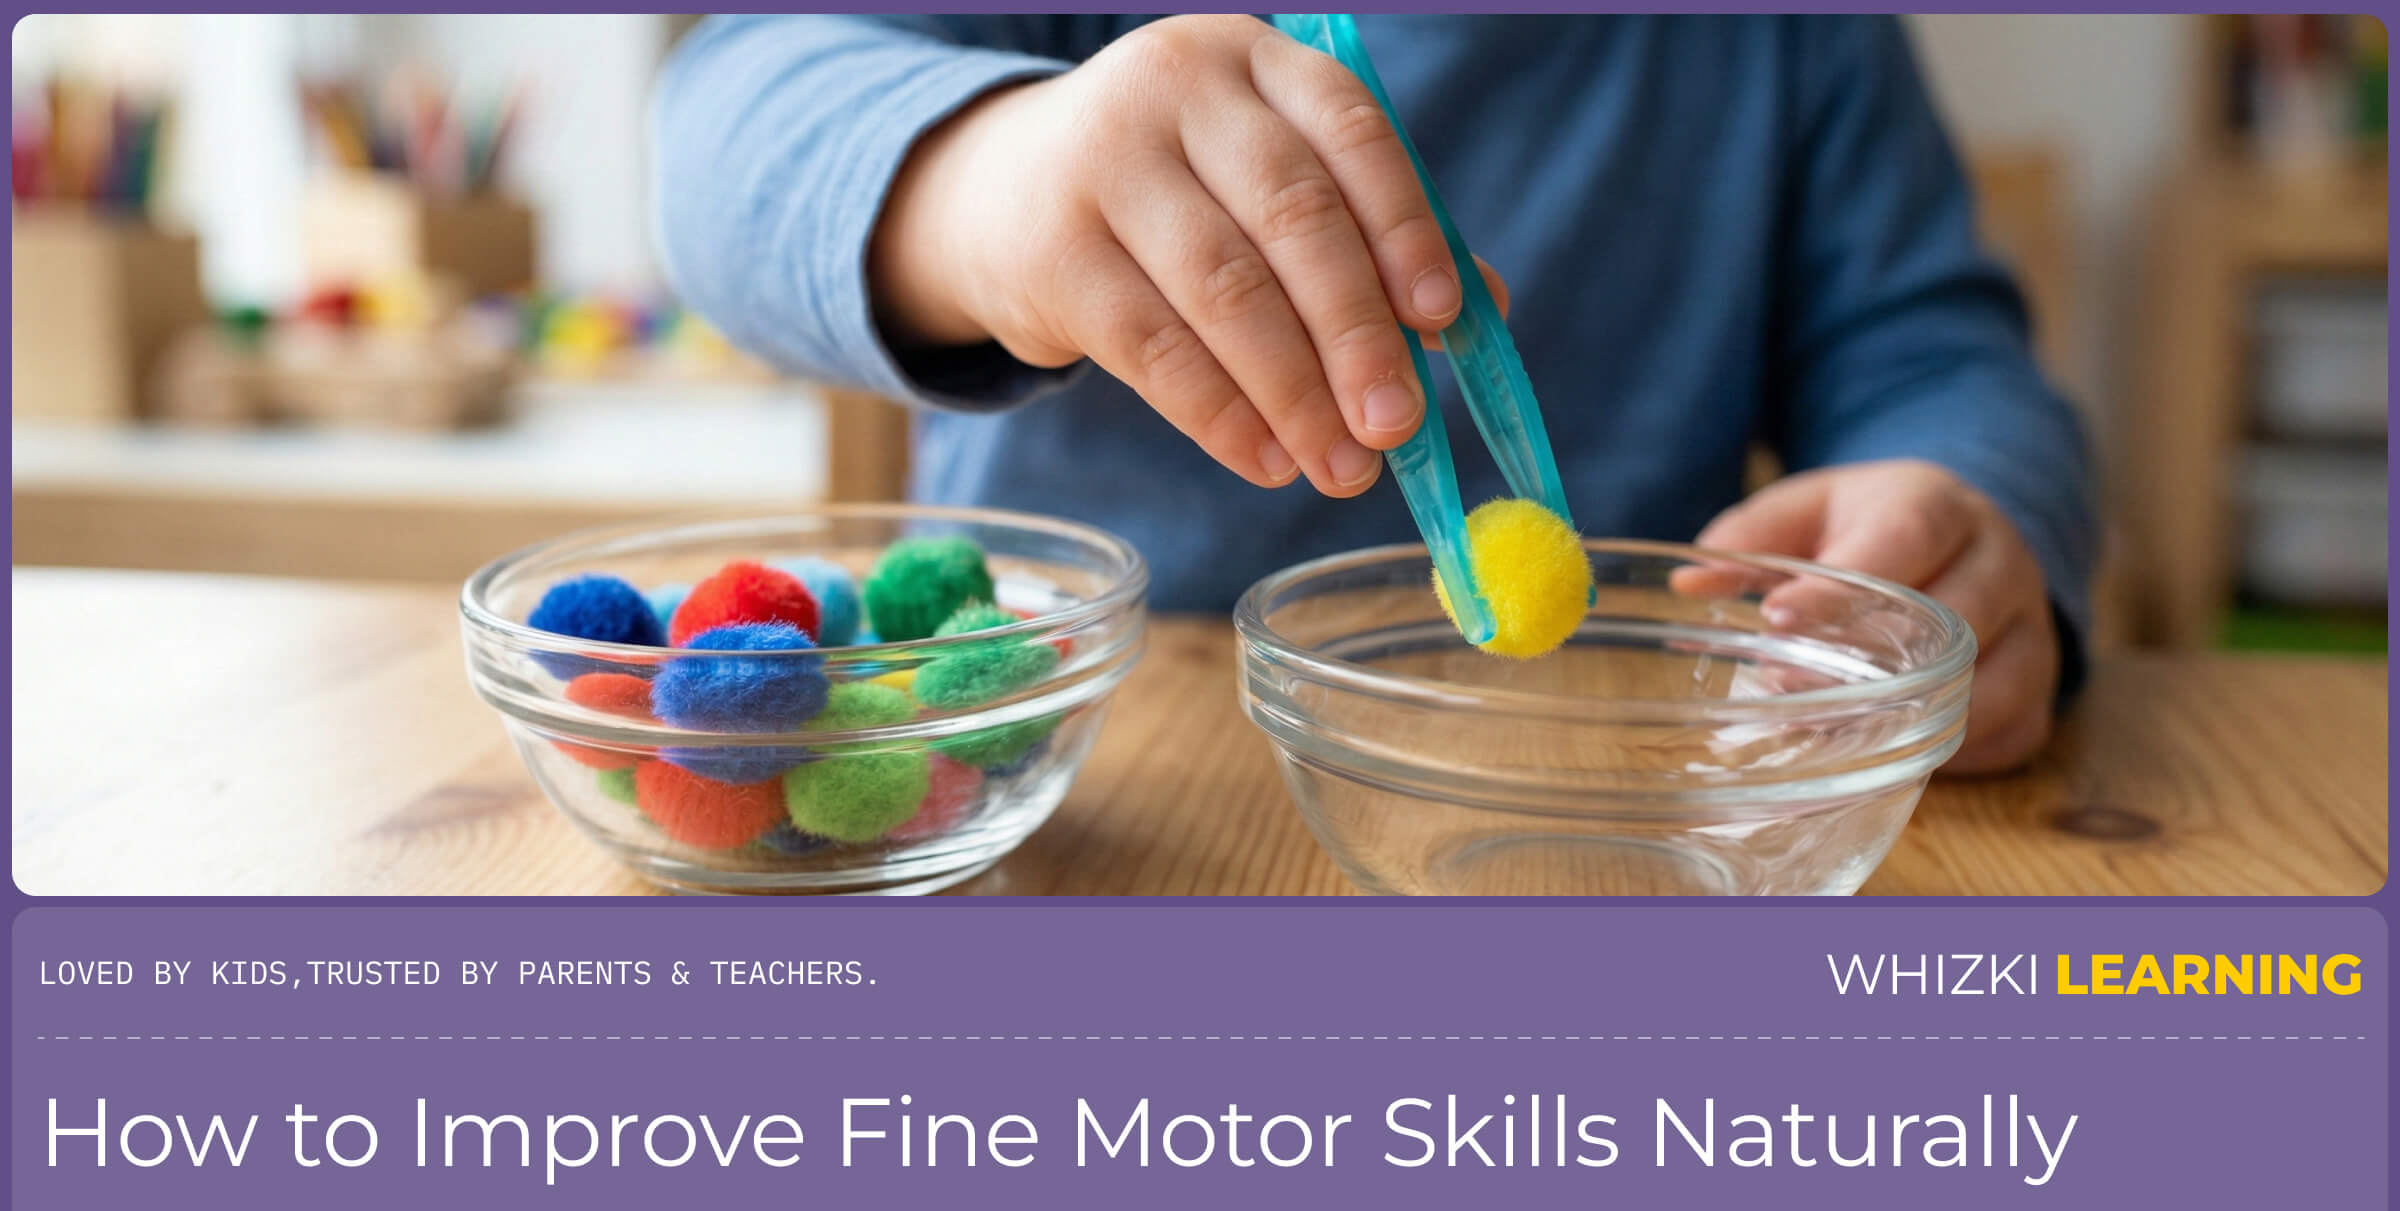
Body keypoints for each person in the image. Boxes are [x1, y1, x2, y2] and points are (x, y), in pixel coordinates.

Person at [652, 14, 2096, 773]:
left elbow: (1936, 362)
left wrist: (1967, 508)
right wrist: (988, 181)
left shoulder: (1791, 35)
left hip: (1606, 777)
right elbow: (725, 127)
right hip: (1069, 761)